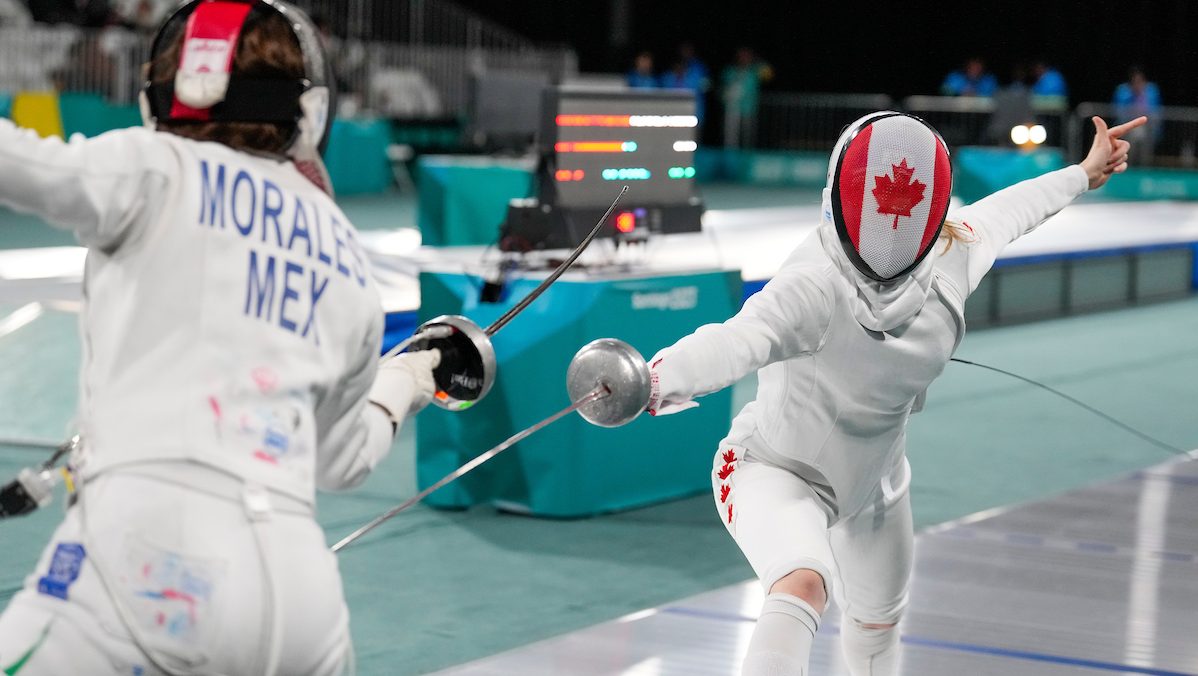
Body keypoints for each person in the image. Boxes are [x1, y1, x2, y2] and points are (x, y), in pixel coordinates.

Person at [0, 1, 440, 674]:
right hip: (303, 604)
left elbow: (28, 167)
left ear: (168, 90)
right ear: (309, 107)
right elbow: (342, 462)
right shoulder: (346, 254)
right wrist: (409, 379)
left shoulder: (158, 168)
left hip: (149, 563)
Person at [640, 111, 1144, 676]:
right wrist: (657, 379)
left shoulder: (955, 254)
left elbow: (1016, 208)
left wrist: (1082, 172)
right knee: (803, 584)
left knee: (878, 624)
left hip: (876, 480)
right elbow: (735, 341)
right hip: (774, 468)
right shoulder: (812, 285)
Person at [722, 46, 772, 148]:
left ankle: (746, 158)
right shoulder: (729, 71)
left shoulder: (754, 72)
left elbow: (769, 75)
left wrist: (757, 61)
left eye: (747, 56)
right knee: (730, 138)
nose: (744, 58)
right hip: (732, 109)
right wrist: (725, 96)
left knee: (747, 138)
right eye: (742, 55)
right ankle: (730, 157)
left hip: (748, 109)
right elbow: (722, 89)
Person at [1113, 66, 1161, 165]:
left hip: (1147, 128)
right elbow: (1119, 111)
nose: (1137, 84)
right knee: (1130, 146)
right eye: (1135, 81)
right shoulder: (1123, 91)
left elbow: (1154, 111)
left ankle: (1143, 167)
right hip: (1128, 126)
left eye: (1140, 81)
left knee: (1144, 147)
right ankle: (1128, 166)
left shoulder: (1151, 91)